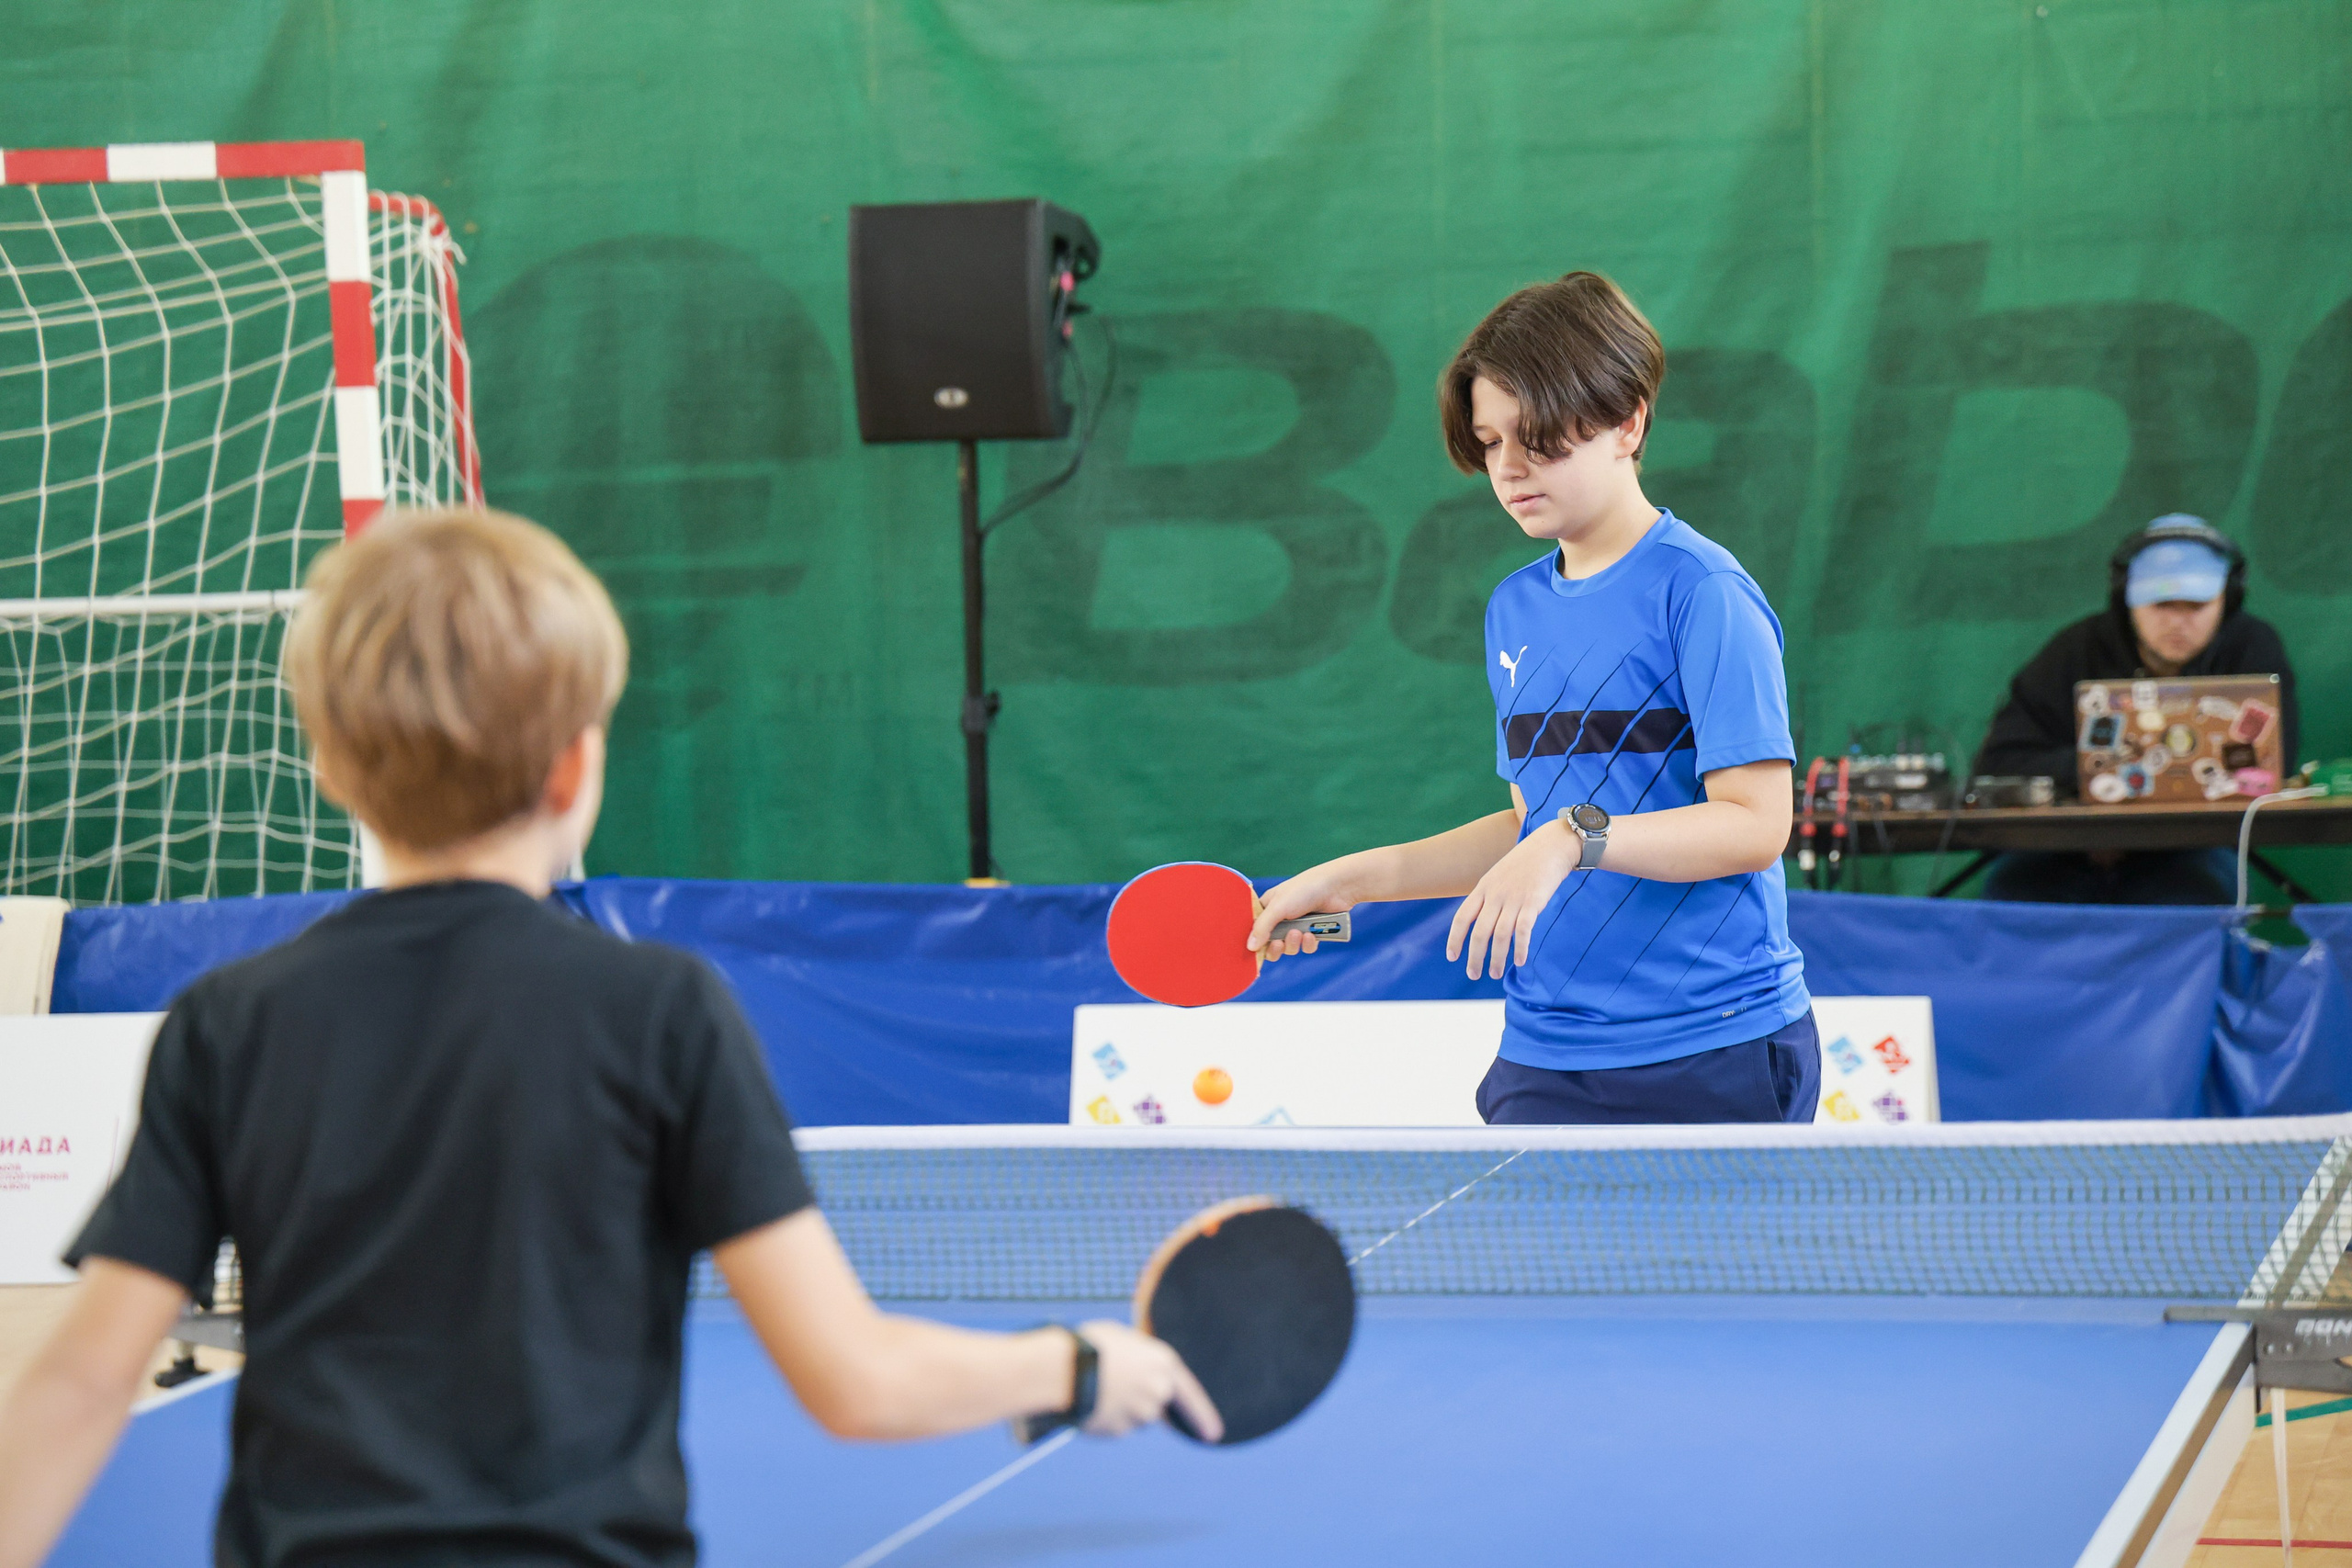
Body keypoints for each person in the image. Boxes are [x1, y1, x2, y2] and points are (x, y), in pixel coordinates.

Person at [0, 509, 1216, 1568]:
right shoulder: (663, 1012)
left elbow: (83, 1376)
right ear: (578, 762)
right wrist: (1071, 1361)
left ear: (328, 767)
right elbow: (857, 1379)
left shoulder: (227, 1020)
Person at [1249, 273, 1814, 1125]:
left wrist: (1571, 838)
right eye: (1488, 442)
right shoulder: (1514, 607)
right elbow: (1528, 825)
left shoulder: (1702, 592)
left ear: (1629, 421)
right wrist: (1354, 880)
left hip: (1715, 1043)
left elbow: (1755, 823)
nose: (1508, 468)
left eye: (1540, 437)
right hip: (1546, 1053)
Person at [1972, 515, 2300, 905]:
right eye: (2161, 603)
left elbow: (2268, 768)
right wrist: (2099, 793)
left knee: (2195, 897)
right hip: (2065, 849)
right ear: (2126, 598)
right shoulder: (2075, 650)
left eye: (2196, 605)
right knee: (2012, 894)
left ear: (2227, 600)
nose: (2178, 621)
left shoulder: (2252, 648)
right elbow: (1999, 763)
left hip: (2189, 850)